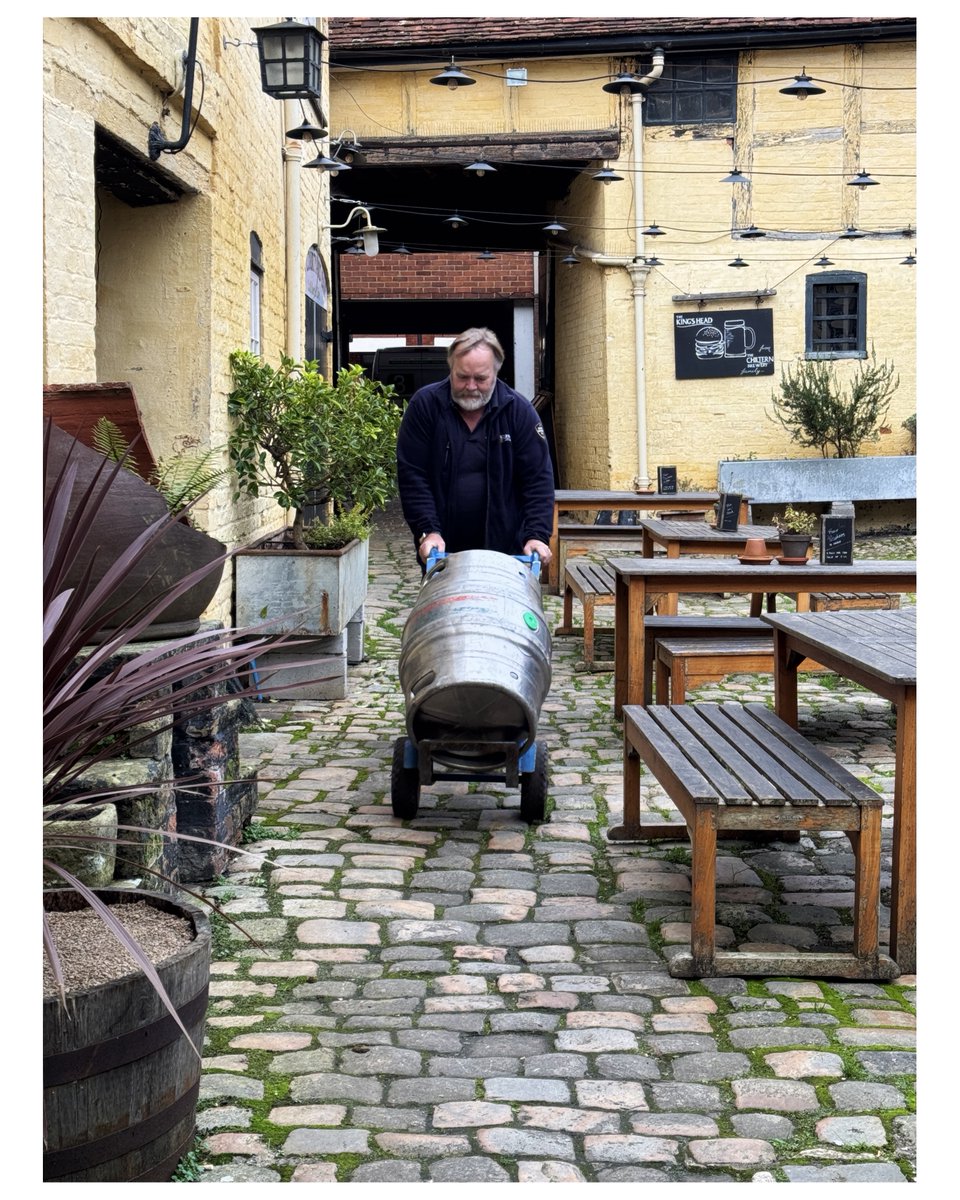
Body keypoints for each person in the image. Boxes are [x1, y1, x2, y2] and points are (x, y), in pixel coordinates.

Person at [396, 327, 555, 568]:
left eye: (480, 378)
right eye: (462, 377)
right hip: (443, 550)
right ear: (451, 368)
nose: (470, 386)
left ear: (496, 372)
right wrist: (427, 530)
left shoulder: (519, 412)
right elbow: (413, 476)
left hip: (506, 552)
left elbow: (538, 479)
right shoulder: (425, 407)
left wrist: (536, 535)